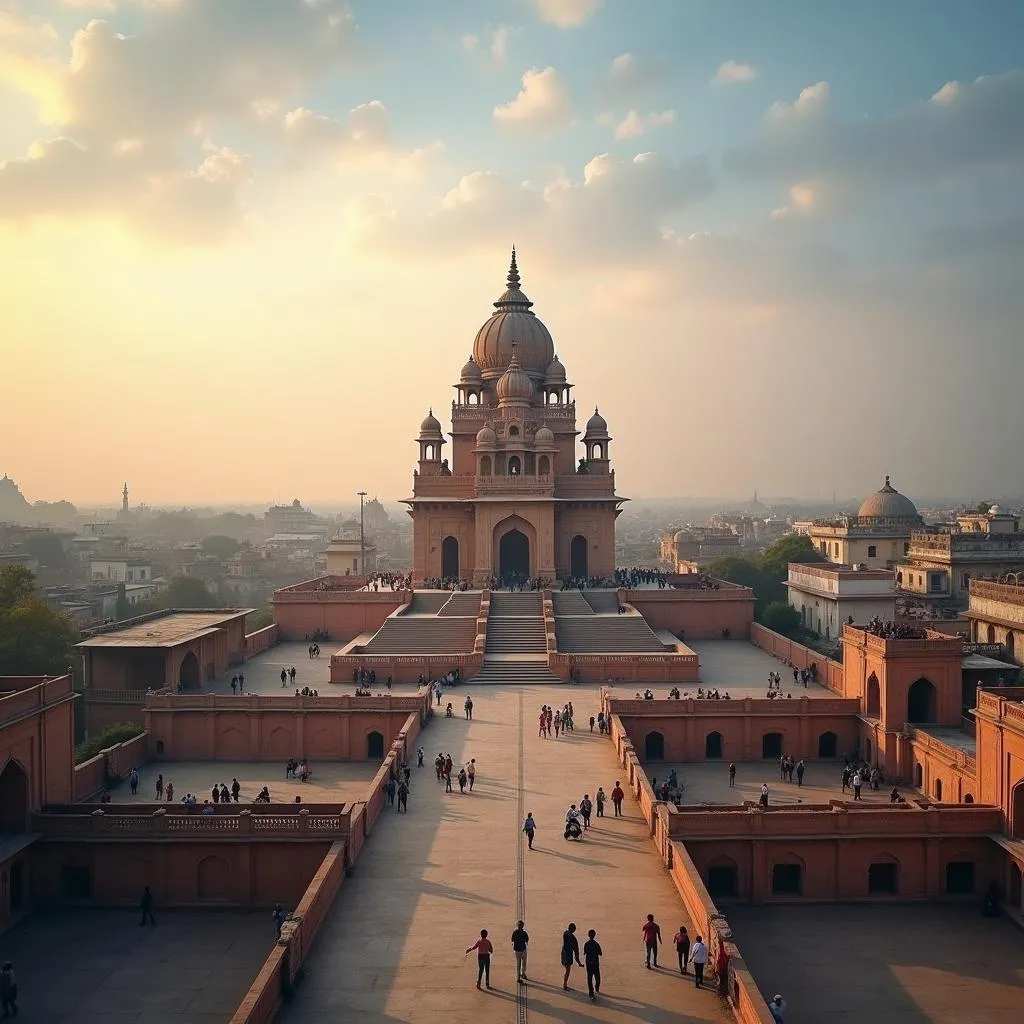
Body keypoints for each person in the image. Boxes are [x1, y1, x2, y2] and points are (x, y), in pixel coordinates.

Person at [560, 922, 582, 990]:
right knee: (568, 970)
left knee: (567, 969)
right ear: (574, 930)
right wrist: (579, 963)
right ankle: (564, 985)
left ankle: (565, 983)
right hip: (568, 955)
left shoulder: (565, 933)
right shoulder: (573, 938)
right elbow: (576, 952)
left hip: (564, 953)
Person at [583, 928, 603, 1001]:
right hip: (595, 963)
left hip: (589, 963)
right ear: (594, 935)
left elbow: (585, 952)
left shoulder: (586, 944)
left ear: (588, 935)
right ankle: (596, 987)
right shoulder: (596, 944)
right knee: (597, 977)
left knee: (589, 978)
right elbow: (600, 953)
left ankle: (591, 993)